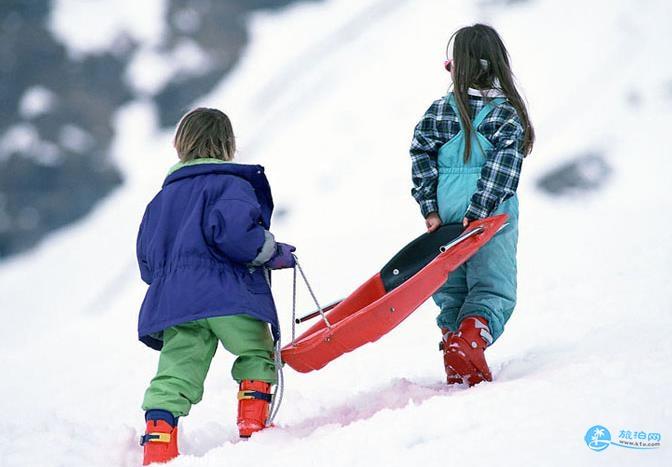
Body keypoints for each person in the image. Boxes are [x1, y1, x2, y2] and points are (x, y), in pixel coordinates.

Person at [135, 107, 295, 465]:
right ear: (228, 145)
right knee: (256, 351)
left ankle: (158, 444)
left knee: (177, 368)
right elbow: (239, 236)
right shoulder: (230, 185)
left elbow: (147, 263)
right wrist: (271, 251)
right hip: (230, 296)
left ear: (180, 145)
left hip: (177, 304)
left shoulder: (159, 201)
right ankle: (252, 425)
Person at [409, 24, 534, 387]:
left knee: (452, 286)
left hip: (446, 219)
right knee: (493, 286)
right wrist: (480, 211)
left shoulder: (439, 112)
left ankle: (454, 345)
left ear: (456, 68)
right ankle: (470, 340)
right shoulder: (505, 114)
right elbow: (503, 166)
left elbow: (421, 156)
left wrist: (430, 208)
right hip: (491, 217)